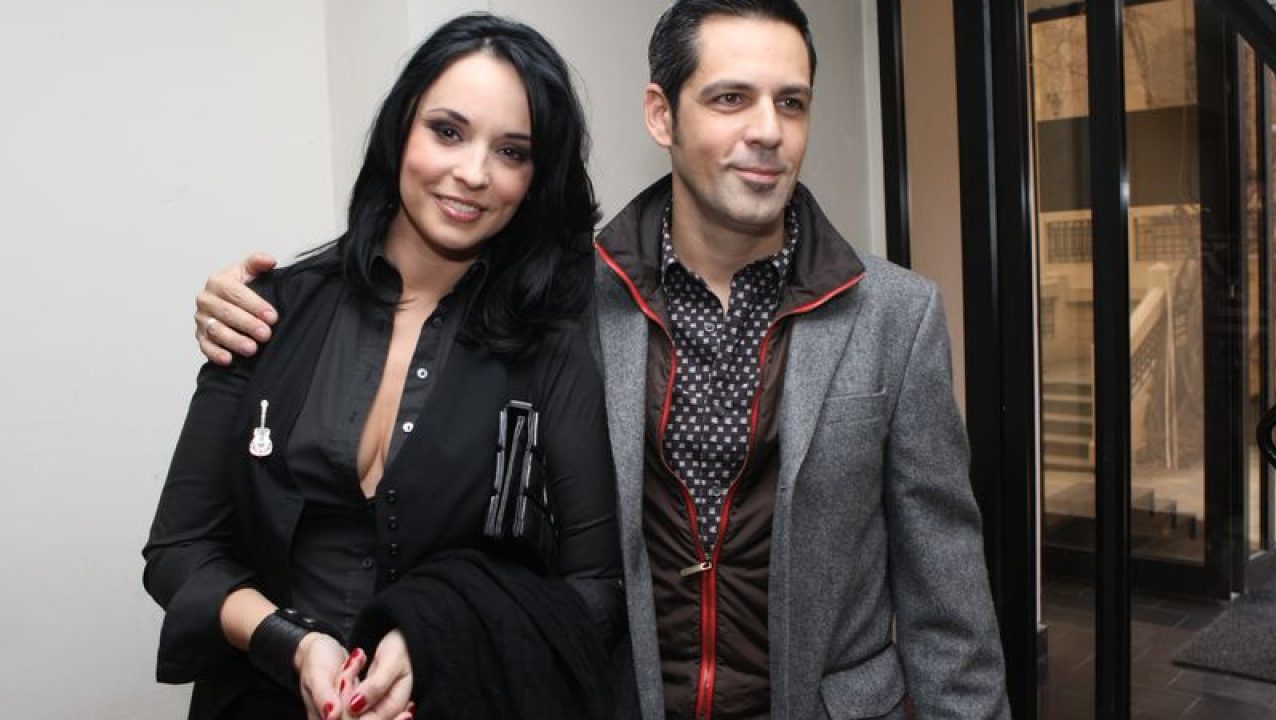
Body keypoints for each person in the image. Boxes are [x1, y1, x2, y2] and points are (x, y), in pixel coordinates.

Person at [193, 1, 1012, 718]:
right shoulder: (561, 299)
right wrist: (252, 302)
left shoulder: (896, 315)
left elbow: (948, 602)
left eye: (790, 102)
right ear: (662, 114)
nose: (767, 130)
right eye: (730, 98)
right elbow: (407, 295)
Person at [144, 13, 621, 720]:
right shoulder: (269, 312)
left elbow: (597, 590)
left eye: (512, 151)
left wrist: (438, 641)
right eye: (448, 131)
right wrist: (294, 644)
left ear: (535, 177)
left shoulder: (552, 349)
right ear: (402, 128)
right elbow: (180, 550)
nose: (473, 173)